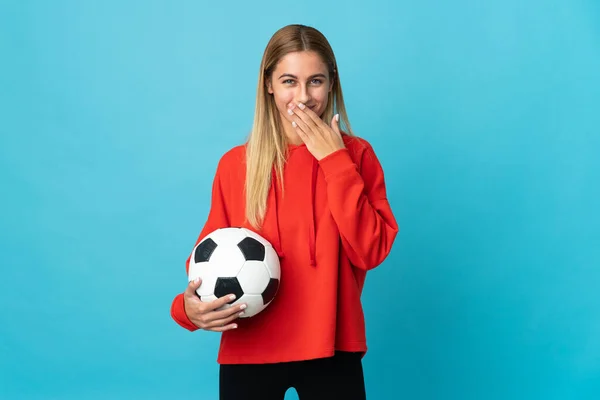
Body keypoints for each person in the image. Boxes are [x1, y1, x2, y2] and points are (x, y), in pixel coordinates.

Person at [170, 24, 399, 400]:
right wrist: (187, 310)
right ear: (269, 84)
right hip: (250, 350)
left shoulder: (357, 156)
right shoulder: (235, 165)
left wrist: (334, 161)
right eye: (290, 80)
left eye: (316, 81)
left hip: (333, 346)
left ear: (332, 84)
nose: (304, 97)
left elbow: (370, 250)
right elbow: (206, 261)